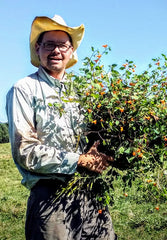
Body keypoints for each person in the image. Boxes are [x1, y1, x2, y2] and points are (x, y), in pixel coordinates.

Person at [6, 15, 117, 240]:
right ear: (38, 49)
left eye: (62, 45)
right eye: (49, 44)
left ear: (71, 50)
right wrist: (78, 160)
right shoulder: (24, 89)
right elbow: (25, 150)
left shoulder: (84, 91)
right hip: (50, 199)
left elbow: (98, 135)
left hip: (91, 192)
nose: (56, 50)